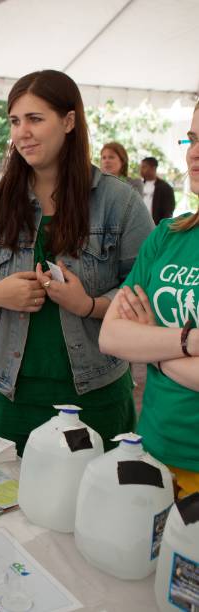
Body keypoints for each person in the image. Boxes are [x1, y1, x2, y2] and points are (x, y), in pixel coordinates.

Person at [0, 70, 155, 455]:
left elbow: (144, 292)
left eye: (35, 119)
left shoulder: (120, 203)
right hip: (2, 397)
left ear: (69, 121)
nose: (22, 132)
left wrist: (90, 305)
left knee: (92, 510)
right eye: (15, 121)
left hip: (93, 400)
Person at [99, 103, 199, 498]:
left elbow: (131, 340)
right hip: (154, 450)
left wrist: (152, 342)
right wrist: (186, 342)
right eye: (192, 139)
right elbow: (111, 336)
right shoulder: (169, 236)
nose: (194, 152)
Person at [140, 156, 176, 224]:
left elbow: (168, 211)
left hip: (156, 228)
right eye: (141, 167)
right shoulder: (138, 186)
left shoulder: (165, 188)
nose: (141, 170)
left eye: (144, 167)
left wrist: (161, 227)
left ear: (153, 168)